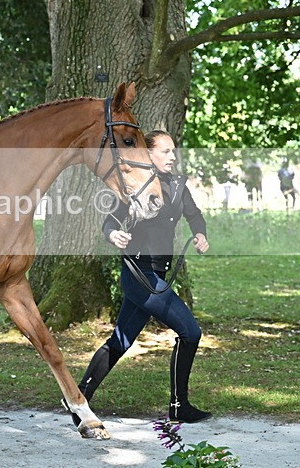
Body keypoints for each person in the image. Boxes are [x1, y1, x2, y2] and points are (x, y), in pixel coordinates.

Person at [73, 130, 212, 425]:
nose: (172, 157)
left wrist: (200, 233)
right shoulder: (136, 185)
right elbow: (110, 220)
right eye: (165, 151)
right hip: (139, 274)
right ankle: (179, 406)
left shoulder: (178, 185)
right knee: (191, 332)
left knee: (121, 340)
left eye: (173, 151)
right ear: (148, 154)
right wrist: (113, 233)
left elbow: (194, 215)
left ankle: (78, 399)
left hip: (157, 273)